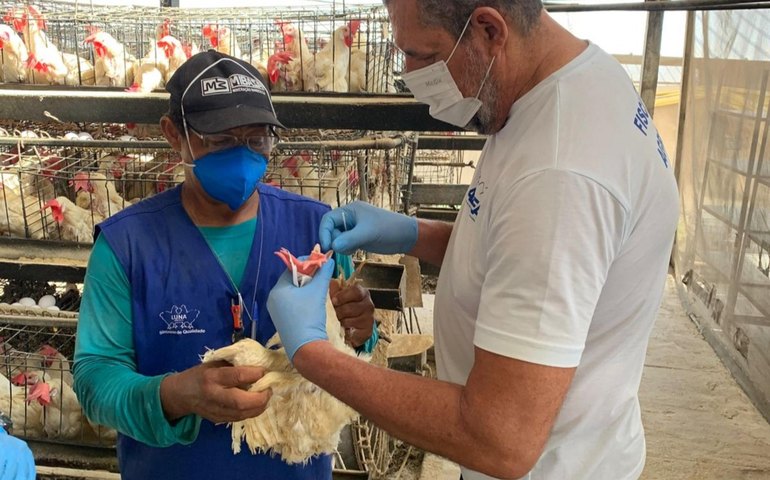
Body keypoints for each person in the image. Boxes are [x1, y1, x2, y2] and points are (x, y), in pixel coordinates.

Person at [265, 1, 680, 479]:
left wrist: (314, 355)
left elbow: (499, 440)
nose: (410, 73)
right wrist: (412, 232)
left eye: (423, 54)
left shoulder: (560, 173)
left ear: (488, 30)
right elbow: (518, 253)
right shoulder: (568, 79)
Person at [72, 50, 377, 480]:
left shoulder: (316, 228)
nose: (241, 155)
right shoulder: (128, 246)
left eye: (257, 140)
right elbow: (95, 378)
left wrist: (359, 329)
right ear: (173, 135)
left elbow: (352, 346)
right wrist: (175, 394)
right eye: (218, 141)